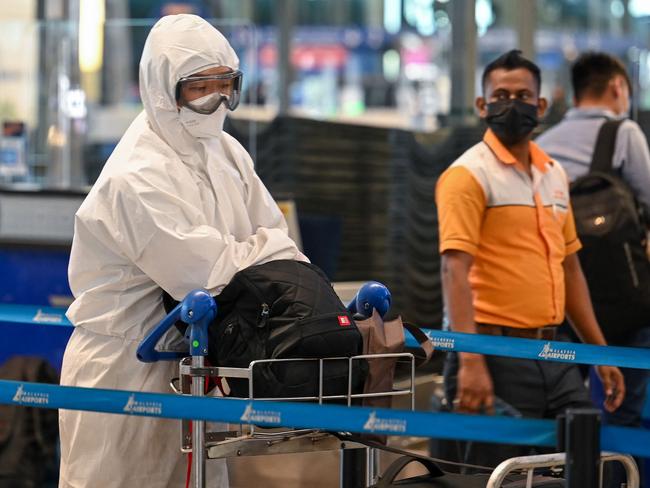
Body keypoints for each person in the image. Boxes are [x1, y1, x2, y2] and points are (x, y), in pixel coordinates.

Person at [59, 14, 306, 488]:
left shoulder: (227, 152)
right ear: (161, 88)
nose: (216, 100)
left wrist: (252, 252)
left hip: (196, 366)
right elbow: (204, 275)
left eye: (225, 84)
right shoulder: (137, 172)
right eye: (200, 87)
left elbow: (285, 247)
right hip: (128, 372)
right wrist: (258, 250)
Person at [436, 50, 625, 469]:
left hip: (553, 350)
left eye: (523, 95)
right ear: (481, 106)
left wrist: (600, 353)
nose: (512, 103)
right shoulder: (468, 175)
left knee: (585, 458)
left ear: (541, 106)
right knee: (496, 473)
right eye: (500, 95)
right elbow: (454, 271)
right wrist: (470, 361)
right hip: (492, 351)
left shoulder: (553, 174)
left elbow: (570, 268)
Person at [536, 51, 650, 486]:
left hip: (565, 298)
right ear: (617, 87)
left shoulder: (542, 147)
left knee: (567, 410)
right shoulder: (624, 133)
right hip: (628, 300)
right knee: (625, 413)